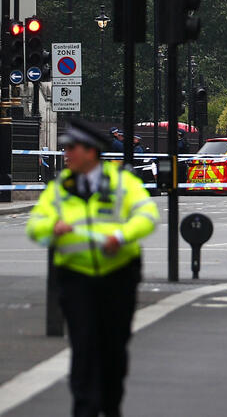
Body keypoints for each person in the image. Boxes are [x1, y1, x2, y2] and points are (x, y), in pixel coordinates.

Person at [27, 118, 159, 417]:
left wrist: (120, 236)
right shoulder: (61, 187)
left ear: (91, 151)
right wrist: (52, 227)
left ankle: (111, 406)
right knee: (83, 346)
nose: (66, 154)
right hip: (76, 278)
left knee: (114, 348)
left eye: (71, 148)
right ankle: (84, 409)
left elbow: (147, 215)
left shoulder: (123, 182)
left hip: (118, 275)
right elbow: (35, 225)